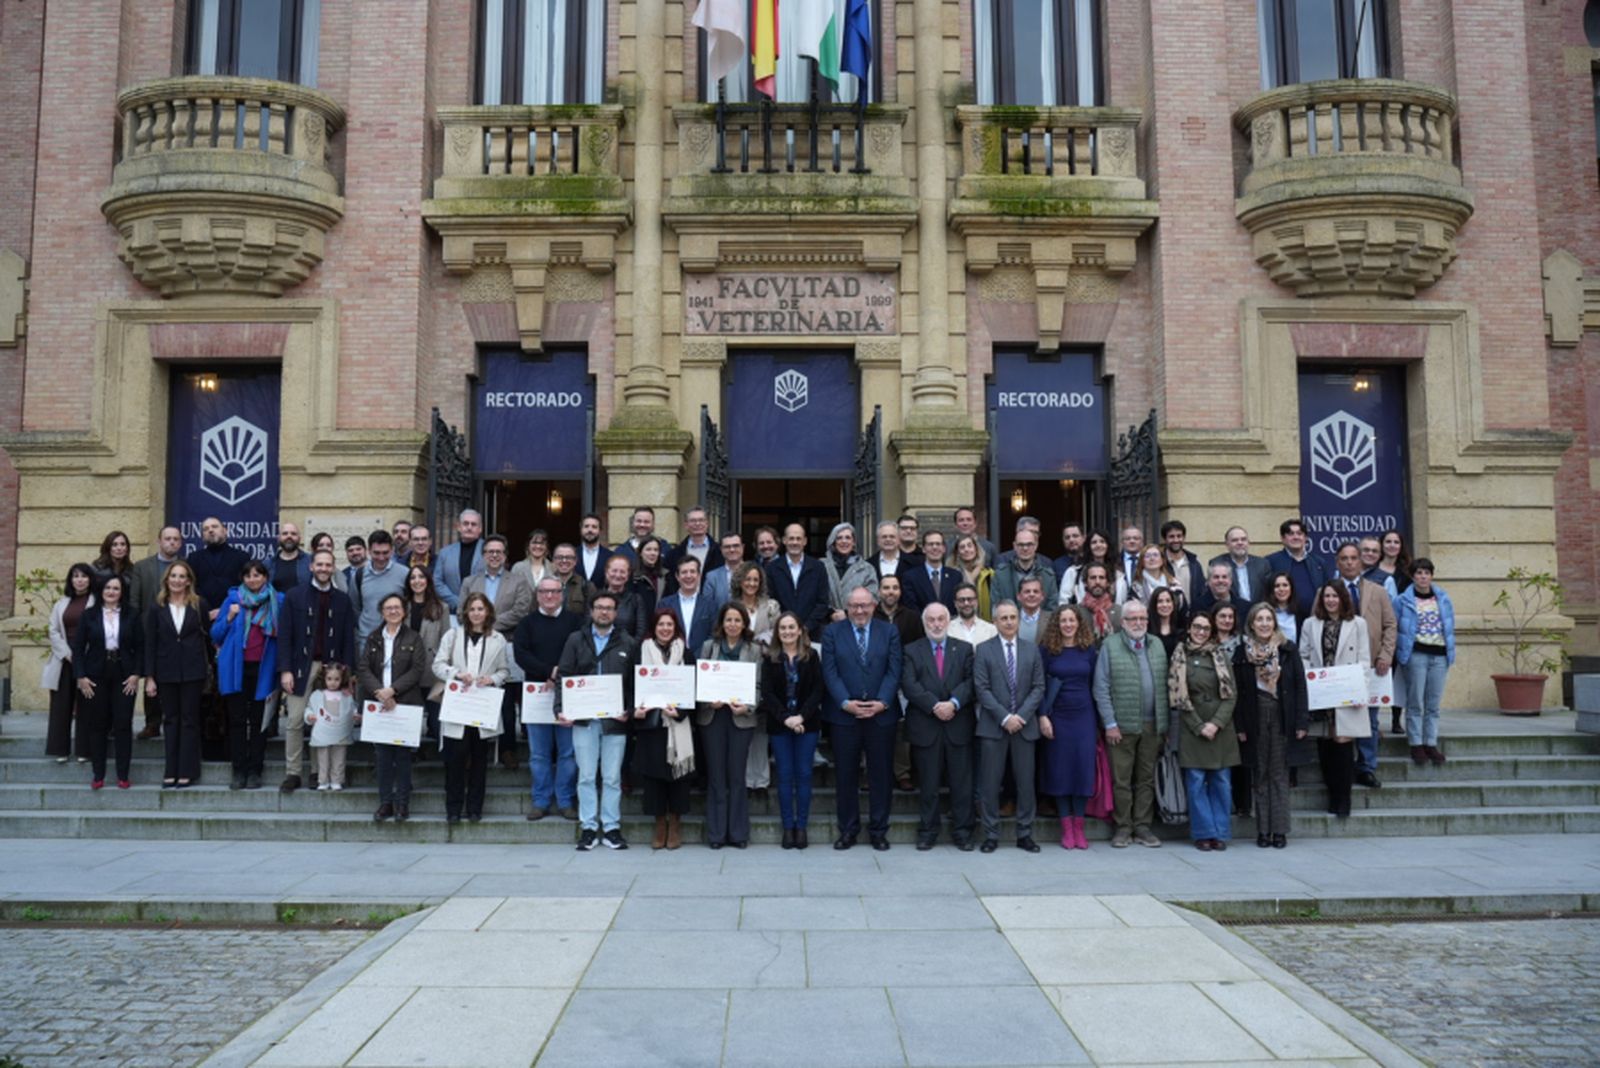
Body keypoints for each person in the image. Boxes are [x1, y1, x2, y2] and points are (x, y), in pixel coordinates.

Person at [820, 586, 903, 850]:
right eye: (854, 606)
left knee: (881, 776)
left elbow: (894, 669)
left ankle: (879, 830)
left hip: (881, 715)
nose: (859, 610)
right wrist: (845, 702)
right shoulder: (832, 632)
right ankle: (848, 830)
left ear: (874, 605)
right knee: (845, 776)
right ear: (847, 607)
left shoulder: (889, 631)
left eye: (864, 605)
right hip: (845, 716)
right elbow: (830, 672)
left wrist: (883, 702)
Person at [557, 589, 638, 850]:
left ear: (616, 613)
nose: (604, 612)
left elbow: (634, 683)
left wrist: (628, 708)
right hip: (584, 720)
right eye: (599, 607)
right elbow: (564, 676)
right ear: (591, 612)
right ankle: (589, 828)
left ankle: (612, 827)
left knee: (612, 777)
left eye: (609, 608)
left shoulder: (627, 642)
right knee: (587, 776)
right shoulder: (575, 639)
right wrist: (560, 708)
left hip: (615, 721)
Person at [279, 549, 358, 793]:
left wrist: (347, 675)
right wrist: (285, 670)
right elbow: (285, 636)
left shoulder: (343, 600)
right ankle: (293, 773)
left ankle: (317, 773)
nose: (323, 569)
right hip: (301, 668)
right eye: (319, 565)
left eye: (328, 565)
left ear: (333, 568)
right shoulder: (294, 596)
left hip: (332, 671)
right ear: (311, 567)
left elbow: (347, 639)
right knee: (294, 721)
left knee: (323, 721)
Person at [1234, 603, 1311, 848]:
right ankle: (1263, 831)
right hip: (1255, 714)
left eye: (1269, 619)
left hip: (1281, 714)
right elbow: (1238, 692)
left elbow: (1300, 686)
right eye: (1260, 619)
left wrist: (1301, 721)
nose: (1265, 624)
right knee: (1260, 774)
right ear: (1252, 624)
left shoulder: (1288, 650)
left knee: (1278, 774)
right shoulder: (1242, 652)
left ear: (1274, 623)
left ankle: (1279, 830)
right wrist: (1240, 726)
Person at [1092, 598, 1166, 848]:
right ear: (1122, 622)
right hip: (1121, 726)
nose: (1138, 623)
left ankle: (1143, 827)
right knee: (1121, 780)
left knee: (1146, 779)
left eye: (1142, 618)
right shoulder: (1109, 646)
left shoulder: (1157, 644)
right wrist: (1110, 723)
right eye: (1132, 618)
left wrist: (1164, 724)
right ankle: (1123, 827)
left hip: (1152, 725)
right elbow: (1100, 687)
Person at [901, 601, 976, 850]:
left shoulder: (964, 649)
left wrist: (953, 703)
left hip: (958, 725)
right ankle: (927, 831)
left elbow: (971, 681)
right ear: (924, 623)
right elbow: (910, 684)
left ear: (948, 621)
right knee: (928, 785)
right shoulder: (912, 650)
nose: (936, 624)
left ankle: (963, 832)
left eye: (940, 619)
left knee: (962, 785)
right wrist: (935, 705)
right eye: (931, 620)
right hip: (926, 726)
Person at [974, 601, 1045, 852]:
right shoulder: (983, 650)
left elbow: (1038, 687)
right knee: (990, 784)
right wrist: (1005, 717)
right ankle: (991, 835)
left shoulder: (1031, 650)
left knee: (1026, 783)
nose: (1008, 622)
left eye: (1013, 617)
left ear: (1018, 620)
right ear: (995, 621)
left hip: (1024, 727)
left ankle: (1024, 833)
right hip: (994, 726)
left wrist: (1021, 717)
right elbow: (981, 688)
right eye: (1003, 618)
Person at [513, 576, 585, 821]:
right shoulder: (527, 623)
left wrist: (560, 674)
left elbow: (583, 654)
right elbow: (521, 654)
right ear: (538, 595)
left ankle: (565, 801)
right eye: (544, 592)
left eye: (554, 591)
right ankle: (540, 801)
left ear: (562, 594)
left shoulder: (575, 622)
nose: (550, 596)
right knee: (539, 754)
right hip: (537, 694)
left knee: (567, 752)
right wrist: (549, 672)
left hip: (569, 695)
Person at [434, 592, 509, 824]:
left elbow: (505, 671)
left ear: (488, 612)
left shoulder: (498, 639)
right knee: (455, 759)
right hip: (459, 705)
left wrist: (493, 680)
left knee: (479, 761)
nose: (476, 613)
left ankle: (475, 808)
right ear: (466, 612)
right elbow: (437, 665)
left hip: (482, 707)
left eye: (481, 609)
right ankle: (454, 808)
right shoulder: (453, 635)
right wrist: (456, 674)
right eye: (473, 608)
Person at [459, 534, 534, 767]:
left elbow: (522, 610)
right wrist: (480, 624)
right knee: (474, 694)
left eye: (498, 552)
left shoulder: (518, 580)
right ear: (483, 556)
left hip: (506, 644)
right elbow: (463, 610)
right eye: (489, 551)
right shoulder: (470, 582)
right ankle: (472, 747)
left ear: (505, 556)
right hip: (472, 645)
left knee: (507, 699)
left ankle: (507, 748)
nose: (494, 555)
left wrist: (488, 623)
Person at [210, 561, 284, 791]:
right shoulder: (232, 600)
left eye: (257, 575)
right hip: (236, 669)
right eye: (248, 575)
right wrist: (229, 617)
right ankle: (238, 770)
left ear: (265, 577)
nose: (253, 579)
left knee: (260, 722)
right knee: (237, 721)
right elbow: (216, 634)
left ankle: (255, 770)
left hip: (264, 669)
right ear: (242, 578)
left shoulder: (278, 600)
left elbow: (284, 634)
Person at [1299, 581, 1370, 820]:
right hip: (1322, 692)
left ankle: (1344, 799)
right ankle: (1332, 796)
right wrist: (1311, 676)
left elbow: (1364, 660)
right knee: (1325, 744)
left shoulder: (1358, 624)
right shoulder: (1310, 624)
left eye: (1335, 596)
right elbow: (1304, 655)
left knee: (1342, 744)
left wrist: (1360, 689)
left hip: (1347, 691)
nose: (1330, 600)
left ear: (1343, 598)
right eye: (1326, 596)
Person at [1170, 611, 1239, 851]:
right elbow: (1178, 695)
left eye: (1205, 629)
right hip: (1193, 728)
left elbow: (1232, 695)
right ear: (1189, 628)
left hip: (1220, 728)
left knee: (1221, 782)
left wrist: (1216, 723)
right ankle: (1203, 833)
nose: (1201, 632)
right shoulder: (1180, 656)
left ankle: (1220, 832)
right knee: (1196, 783)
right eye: (1197, 627)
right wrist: (1199, 725)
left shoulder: (1220, 655)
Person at [359, 593, 429, 822]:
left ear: (404, 611)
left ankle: (402, 804)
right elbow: (363, 669)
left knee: (403, 756)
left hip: (405, 703)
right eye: (388, 608)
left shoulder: (414, 638)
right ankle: (385, 803)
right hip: (379, 704)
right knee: (382, 756)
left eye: (397, 607)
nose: (393, 611)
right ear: (382, 612)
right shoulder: (373, 638)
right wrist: (380, 691)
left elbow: (417, 670)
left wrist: (393, 691)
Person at [697, 602, 762, 849]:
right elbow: (700, 682)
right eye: (728, 620)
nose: (732, 624)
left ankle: (737, 833)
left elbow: (758, 685)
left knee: (736, 776)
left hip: (740, 718)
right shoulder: (708, 647)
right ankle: (716, 834)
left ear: (744, 623)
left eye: (737, 620)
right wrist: (707, 700)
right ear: (721, 623)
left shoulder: (754, 649)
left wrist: (749, 706)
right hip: (713, 717)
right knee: (716, 776)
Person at [1333, 542, 1397, 790]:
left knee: (1370, 719)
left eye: (1353, 558)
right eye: (1344, 559)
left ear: (1361, 562)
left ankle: (1367, 767)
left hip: (1372, 664)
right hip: (1341, 669)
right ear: (1337, 563)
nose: (1349, 563)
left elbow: (1391, 625)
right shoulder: (1329, 591)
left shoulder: (1377, 590)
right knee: (1344, 719)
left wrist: (1386, 654)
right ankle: (1345, 766)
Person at [143, 560, 211, 788]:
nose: (177, 580)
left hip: (193, 672)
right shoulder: (157, 607)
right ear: (166, 580)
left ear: (189, 581)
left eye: (182, 576)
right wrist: (149, 677)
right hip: (166, 672)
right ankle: (170, 770)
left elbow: (208, 638)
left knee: (190, 720)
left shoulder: (199, 605)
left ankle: (188, 770)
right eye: (173, 576)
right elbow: (150, 643)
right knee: (170, 720)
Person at [760, 610, 824, 849]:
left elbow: (818, 690)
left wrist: (800, 717)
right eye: (782, 628)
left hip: (807, 724)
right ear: (778, 632)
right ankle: (788, 827)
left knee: (804, 775)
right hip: (780, 726)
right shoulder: (770, 658)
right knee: (785, 776)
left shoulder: (812, 656)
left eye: (791, 627)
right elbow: (767, 693)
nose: (787, 632)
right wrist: (786, 718)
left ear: (800, 630)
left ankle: (802, 827)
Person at [72, 573, 142, 790]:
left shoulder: (132, 614)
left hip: (124, 675)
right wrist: (81, 676)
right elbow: (78, 648)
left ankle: (123, 775)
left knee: (123, 723)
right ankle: (98, 774)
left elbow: (141, 646)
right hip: (95, 675)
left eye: (116, 589)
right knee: (98, 724)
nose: (111, 592)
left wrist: (136, 674)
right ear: (101, 591)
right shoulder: (89, 615)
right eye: (108, 588)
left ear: (122, 593)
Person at [633, 608, 695, 850]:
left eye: (670, 625)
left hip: (677, 724)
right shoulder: (642, 652)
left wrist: (679, 712)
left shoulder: (686, 654)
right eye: (661, 624)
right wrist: (635, 709)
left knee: (678, 777)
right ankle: (660, 824)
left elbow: (693, 691)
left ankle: (676, 823)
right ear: (654, 627)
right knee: (654, 778)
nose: (666, 629)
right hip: (652, 725)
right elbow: (631, 684)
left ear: (676, 627)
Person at [1038, 605, 1098, 850]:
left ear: (1078, 622)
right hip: (1058, 716)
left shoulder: (1089, 649)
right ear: (1057, 624)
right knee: (1061, 770)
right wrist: (1043, 716)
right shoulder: (1047, 650)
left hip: (1084, 716)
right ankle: (1066, 828)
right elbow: (1039, 684)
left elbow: (1096, 682)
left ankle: (1079, 827)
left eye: (1072, 620)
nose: (1068, 624)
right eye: (1063, 620)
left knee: (1083, 770)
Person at [1395, 558, 1455, 767]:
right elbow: (1396, 629)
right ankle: (1416, 743)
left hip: (1439, 655)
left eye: (1426, 573)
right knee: (1415, 702)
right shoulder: (1403, 600)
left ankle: (1430, 742)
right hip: (1416, 655)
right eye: (1419, 573)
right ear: (1413, 576)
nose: (1423, 577)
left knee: (1433, 704)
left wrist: (1450, 652)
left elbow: (1448, 627)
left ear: (1431, 575)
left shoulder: (1443, 599)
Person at [130, 526, 184, 740]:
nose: (171, 542)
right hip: (149, 631)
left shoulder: (186, 567)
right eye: (167, 539)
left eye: (175, 539)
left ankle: (174, 720)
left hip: (178, 632)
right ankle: (152, 723)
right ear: (159, 541)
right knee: (150, 677)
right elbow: (134, 601)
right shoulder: (142, 568)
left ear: (180, 543)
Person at [44, 563, 97, 765]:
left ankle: (84, 749)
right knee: (61, 705)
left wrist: (82, 655)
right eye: (75, 576)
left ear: (90, 579)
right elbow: (53, 630)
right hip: (64, 660)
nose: (80, 580)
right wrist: (68, 654)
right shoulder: (61, 603)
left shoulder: (96, 602)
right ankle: (60, 749)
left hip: (89, 659)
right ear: (71, 580)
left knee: (86, 704)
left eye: (84, 576)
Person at [403, 563, 450, 752]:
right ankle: (411, 754)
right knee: (410, 717)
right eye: (413, 577)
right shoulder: (401, 605)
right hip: (406, 668)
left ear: (428, 581)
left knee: (436, 719)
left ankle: (440, 755)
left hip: (432, 669)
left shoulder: (441, 607)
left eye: (421, 577)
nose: (417, 581)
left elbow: (446, 639)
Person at [766, 522, 831, 637]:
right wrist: (786, 627)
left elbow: (822, 603)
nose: (795, 542)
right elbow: (770, 601)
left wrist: (806, 627)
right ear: (784, 540)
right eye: (791, 538)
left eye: (798, 539)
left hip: (812, 633)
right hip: (782, 633)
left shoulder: (818, 567)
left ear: (804, 541)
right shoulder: (772, 568)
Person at [302, 663, 357, 792]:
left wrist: (355, 715)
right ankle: (323, 780)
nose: (333, 683)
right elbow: (310, 708)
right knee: (323, 758)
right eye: (329, 679)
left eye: (337, 679)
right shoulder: (317, 695)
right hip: (323, 732)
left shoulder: (346, 696)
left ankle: (337, 780)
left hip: (340, 732)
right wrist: (309, 716)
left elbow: (352, 708)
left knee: (339, 757)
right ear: (324, 679)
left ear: (342, 679)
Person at [190, 517, 252, 621]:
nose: (210, 530)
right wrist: (206, 611)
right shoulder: (194, 558)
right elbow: (191, 589)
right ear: (202, 536)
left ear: (225, 531)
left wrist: (225, 610)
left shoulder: (242, 557)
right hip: (202, 618)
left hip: (235, 616)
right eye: (205, 529)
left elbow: (247, 588)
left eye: (214, 526)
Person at [1265, 519, 1329, 617]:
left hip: (1314, 618)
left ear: (1305, 538)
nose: (1296, 537)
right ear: (1283, 538)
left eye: (1299, 533)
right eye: (1291, 534)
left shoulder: (1319, 562)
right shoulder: (1270, 562)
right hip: (1284, 619)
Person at [352, 530, 408, 643]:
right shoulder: (359, 575)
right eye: (376, 553)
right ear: (369, 551)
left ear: (392, 551)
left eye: (385, 553)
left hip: (396, 639)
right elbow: (355, 607)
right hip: (366, 639)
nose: (381, 557)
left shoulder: (404, 573)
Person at [821, 522, 879, 622]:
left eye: (848, 538)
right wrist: (830, 613)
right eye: (839, 538)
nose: (844, 541)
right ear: (833, 542)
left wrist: (848, 613)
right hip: (827, 624)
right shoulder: (821, 565)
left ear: (854, 542)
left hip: (857, 622)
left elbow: (873, 597)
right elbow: (815, 595)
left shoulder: (866, 568)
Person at [991, 527, 1059, 611]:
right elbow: (995, 609)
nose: (1025, 548)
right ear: (1014, 546)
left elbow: (1052, 610)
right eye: (1021, 545)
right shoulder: (1000, 575)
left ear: (1036, 546)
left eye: (1029, 544)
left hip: (1041, 623)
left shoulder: (1048, 576)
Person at [659, 555, 717, 651]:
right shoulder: (665, 604)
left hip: (701, 660)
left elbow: (713, 635)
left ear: (699, 575)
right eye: (684, 572)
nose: (688, 576)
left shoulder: (710, 606)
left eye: (692, 571)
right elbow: (660, 632)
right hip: (672, 659)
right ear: (677, 576)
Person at [434, 509, 487, 612]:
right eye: (466, 523)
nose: (469, 527)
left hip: (482, 611)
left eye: (474, 524)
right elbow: (437, 581)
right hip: (452, 611)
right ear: (458, 527)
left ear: (480, 529)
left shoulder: (489, 551)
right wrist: (456, 602)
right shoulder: (445, 553)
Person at [1209, 526, 1271, 604]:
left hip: (1256, 612)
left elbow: (1269, 592)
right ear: (1227, 544)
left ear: (1248, 543)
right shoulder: (1218, 563)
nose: (1240, 543)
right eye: (1235, 540)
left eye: (1243, 539)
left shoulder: (1262, 564)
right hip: (1230, 611)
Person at [904, 529, 959, 615]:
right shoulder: (911, 577)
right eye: (930, 544)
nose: (935, 547)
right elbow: (911, 607)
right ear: (923, 549)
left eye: (938, 544)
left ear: (944, 549)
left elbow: (957, 605)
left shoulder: (956, 576)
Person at [596, 555, 648, 642]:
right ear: (606, 572)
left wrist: (629, 649)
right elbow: (587, 626)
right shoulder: (595, 598)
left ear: (628, 575)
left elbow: (641, 631)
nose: (618, 575)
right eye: (614, 571)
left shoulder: (636, 600)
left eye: (622, 572)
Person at [668, 505, 724, 576]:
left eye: (701, 520)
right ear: (686, 525)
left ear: (707, 524)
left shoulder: (720, 552)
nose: (697, 524)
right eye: (693, 521)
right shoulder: (674, 555)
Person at [1161, 520, 1205, 607]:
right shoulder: (1160, 563)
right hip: (1168, 614)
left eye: (1179, 536)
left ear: (1184, 538)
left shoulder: (1194, 564)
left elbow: (1201, 591)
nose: (1176, 540)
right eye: (1171, 537)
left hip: (1191, 615)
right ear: (1165, 539)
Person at [951, 534, 995, 619]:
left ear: (976, 549)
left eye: (969, 546)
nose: (966, 549)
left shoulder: (989, 574)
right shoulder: (952, 575)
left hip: (986, 624)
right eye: (962, 547)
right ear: (957, 553)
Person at [1130, 544, 1184, 610]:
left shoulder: (1174, 583)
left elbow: (1181, 608)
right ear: (1142, 562)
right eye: (1147, 556)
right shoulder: (1136, 586)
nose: (1152, 559)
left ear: (1162, 560)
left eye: (1155, 555)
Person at [702, 530, 746, 609]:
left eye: (736, 546)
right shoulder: (712, 577)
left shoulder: (754, 572)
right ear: (721, 549)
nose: (732, 550)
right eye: (727, 547)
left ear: (743, 547)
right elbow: (707, 607)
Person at [629, 537, 672, 618]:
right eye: (648, 549)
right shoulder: (633, 577)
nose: (653, 553)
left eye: (656, 550)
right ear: (640, 553)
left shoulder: (666, 575)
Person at [1076, 564, 1122, 639]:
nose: (1097, 582)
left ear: (1108, 583)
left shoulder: (1120, 612)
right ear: (1085, 583)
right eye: (1093, 578)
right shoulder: (1076, 612)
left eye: (1101, 578)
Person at [552, 542, 594, 616]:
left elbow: (591, 617)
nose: (564, 560)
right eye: (560, 557)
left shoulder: (586, 586)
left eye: (568, 557)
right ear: (554, 560)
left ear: (575, 561)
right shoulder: (543, 586)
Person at [270, 523, 310, 594]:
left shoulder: (310, 561)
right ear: (278, 538)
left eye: (293, 534)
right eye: (285, 533)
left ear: (299, 538)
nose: (289, 536)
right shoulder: (268, 564)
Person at [1147, 586, 1185, 660]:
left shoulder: (1180, 629)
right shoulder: (1147, 629)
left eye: (1168, 601)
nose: (1165, 605)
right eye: (1160, 601)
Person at [1264, 572, 1302, 644]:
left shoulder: (1301, 614)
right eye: (1277, 586)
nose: (1281, 589)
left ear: (1291, 588)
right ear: (1271, 590)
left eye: (1285, 585)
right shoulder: (1265, 612)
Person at [576, 513, 612, 586]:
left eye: (594, 527)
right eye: (586, 526)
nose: (590, 530)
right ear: (581, 530)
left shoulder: (610, 556)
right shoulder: (572, 554)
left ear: (600, 531)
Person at [1015, 577, 1048, 644]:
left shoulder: (1052, 619)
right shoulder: (1010, 618)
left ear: (1042, 596)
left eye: (1036, 591)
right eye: (1027, 591)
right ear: (1018, 596)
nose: (1032, 594)